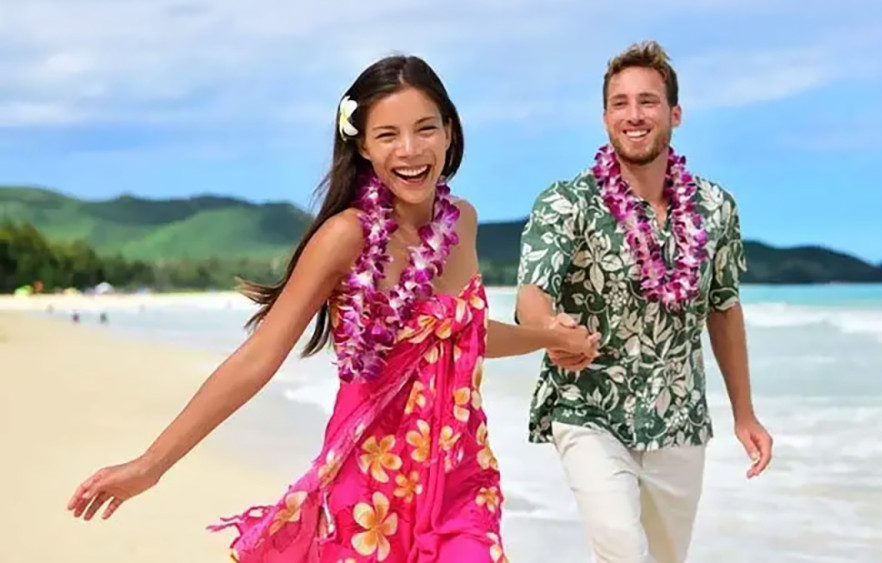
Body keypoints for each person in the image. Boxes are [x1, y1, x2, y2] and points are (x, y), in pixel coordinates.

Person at [66, 54, 599, 562]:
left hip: (461, 481)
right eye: (388, 135)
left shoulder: (462, 222)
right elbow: (259, 357)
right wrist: (151, 465)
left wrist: (550, 338)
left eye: (426, 128)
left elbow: (466, 333)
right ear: (363, 146)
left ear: (450, 132)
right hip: (367, 492)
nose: (411, 150)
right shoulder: (345, 237)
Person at [515, 40, 774, 563]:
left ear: (674, 113)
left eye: (648, 101)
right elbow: (531, 296)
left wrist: (744, 413)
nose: (634, 115)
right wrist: (551, 334)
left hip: (679, 417)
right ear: (606, 117)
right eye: (620, 103)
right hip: (590, 409)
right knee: (621, 550)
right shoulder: (567, 202)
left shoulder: (716, 207)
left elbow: (723, 307)